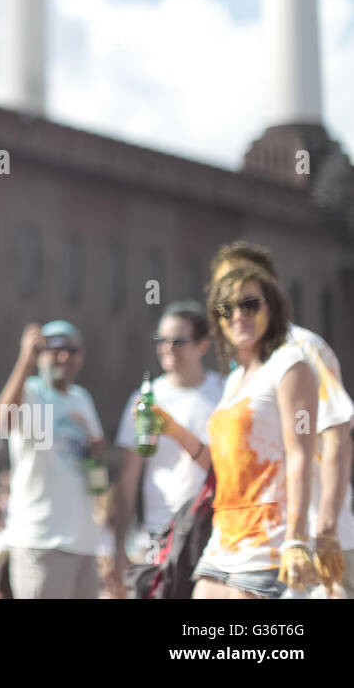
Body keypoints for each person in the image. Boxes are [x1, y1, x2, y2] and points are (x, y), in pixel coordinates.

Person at [209, 241, 353, 594]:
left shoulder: (302, 348)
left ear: (270, 288)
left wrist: (326, 530)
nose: (236, 307)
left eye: (248, 296)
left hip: (314, 534)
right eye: (225, 297)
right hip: (256, 541)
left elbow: (336, 438)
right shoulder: (239, 371)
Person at [192, 264, 320, 598]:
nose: (238, 315)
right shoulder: (234, 380)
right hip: (223, 540)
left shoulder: (290, 365)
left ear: (271, 309)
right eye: (226, 308)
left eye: (249, 304)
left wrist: (296, 538)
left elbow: (300, 454)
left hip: (269, 544)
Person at [112, 301, 223, 585]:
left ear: (202, 345)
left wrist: (176, 432)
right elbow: (128, 479)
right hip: (159, 531)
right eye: (162, 340)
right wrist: (119, 548)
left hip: (214, 529)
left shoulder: (224, 392)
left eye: (178, 341)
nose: (167, 348)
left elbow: (225, 467)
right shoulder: (146, 397)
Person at [0, 320, 106, 599]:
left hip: (84, 542)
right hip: (40, 539)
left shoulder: (83, 398)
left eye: (71, 350)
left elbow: (96, 475)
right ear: (40, 355)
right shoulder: (30, 391)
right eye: (54, 348)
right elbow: (1, 424)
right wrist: (25, 360)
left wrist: (97, 456)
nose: (64, 356)